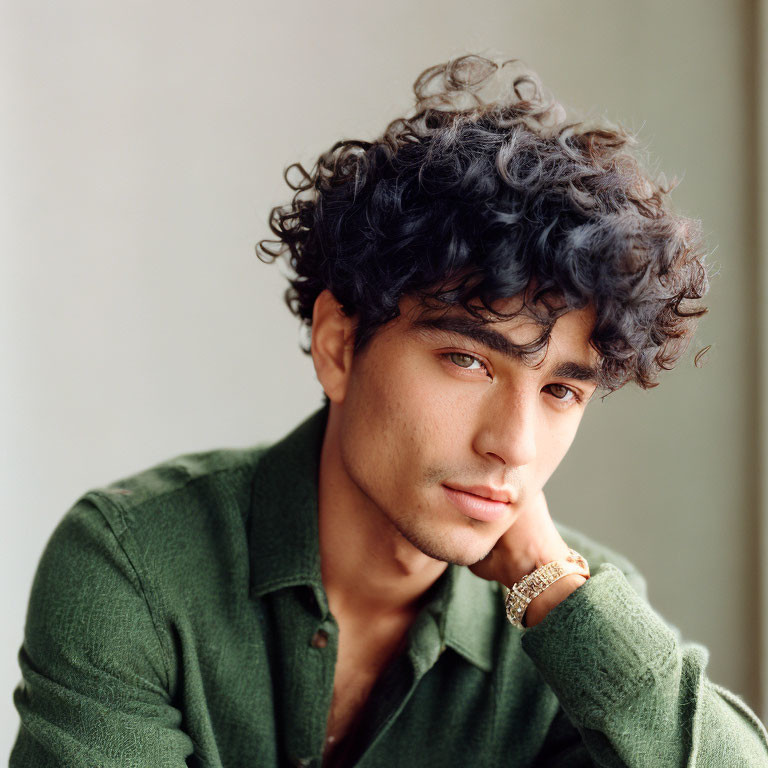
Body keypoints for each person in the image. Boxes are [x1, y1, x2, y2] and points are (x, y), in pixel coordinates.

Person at [10, 54, 768, 768]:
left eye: (560, 390)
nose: (513, 444)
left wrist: (546, 582)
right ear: (340, 345)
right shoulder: (135, 565)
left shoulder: (576, 614)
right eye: (467, 360)